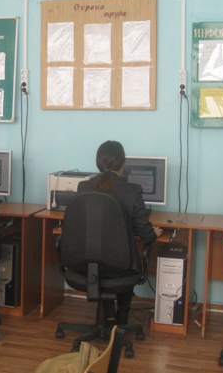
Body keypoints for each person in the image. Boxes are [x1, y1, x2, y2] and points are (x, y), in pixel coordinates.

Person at [77, 140, 163, 327]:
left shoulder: (83, 188)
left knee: (102, 260)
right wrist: (154, 234)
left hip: (89, 265)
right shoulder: (132, 191)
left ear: (97, 163)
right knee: (122, 263)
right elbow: (145, 234)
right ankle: (121, 318)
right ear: (123, 164)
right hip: (122, 266)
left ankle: (109, 315)